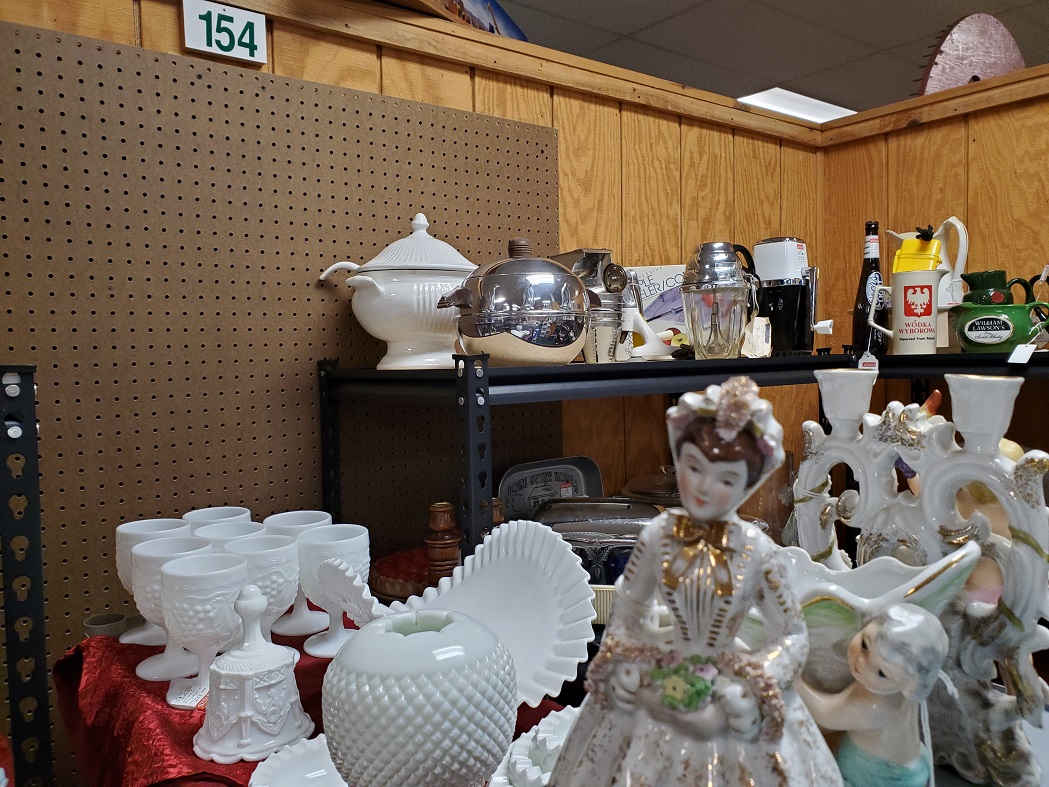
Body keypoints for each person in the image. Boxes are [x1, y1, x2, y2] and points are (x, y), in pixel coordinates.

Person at [550, 377, 842, 786]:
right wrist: (624, 664)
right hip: (663, 672)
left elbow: (793, 635)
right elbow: (628, 615)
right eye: (693, 468)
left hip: (728, 687)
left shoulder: (759, 552)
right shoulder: (657, 536)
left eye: (726, 479)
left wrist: (756, 683)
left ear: (750, 482)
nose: (704, 487)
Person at [796, 603, 950, 787]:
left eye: (882, 673)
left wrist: (794, 679)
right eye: (864, 645)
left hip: (877, 778)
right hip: (909, 761)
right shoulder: (897, 686)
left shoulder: (873, 706)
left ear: (910, 683)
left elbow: (823, 714)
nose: (862, 663)